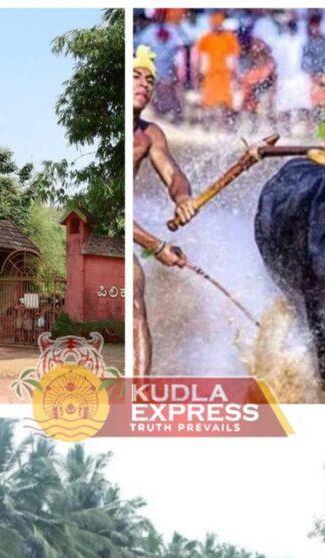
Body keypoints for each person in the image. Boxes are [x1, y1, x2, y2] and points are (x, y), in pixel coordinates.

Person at [132, 45, 196, 375]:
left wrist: (183, 198)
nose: (143, 84)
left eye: (149, 80)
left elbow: (173, 174)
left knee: (134, 300)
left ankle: (138, 394)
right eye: (134, 76)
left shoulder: (150, 135)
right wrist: (156, 246)